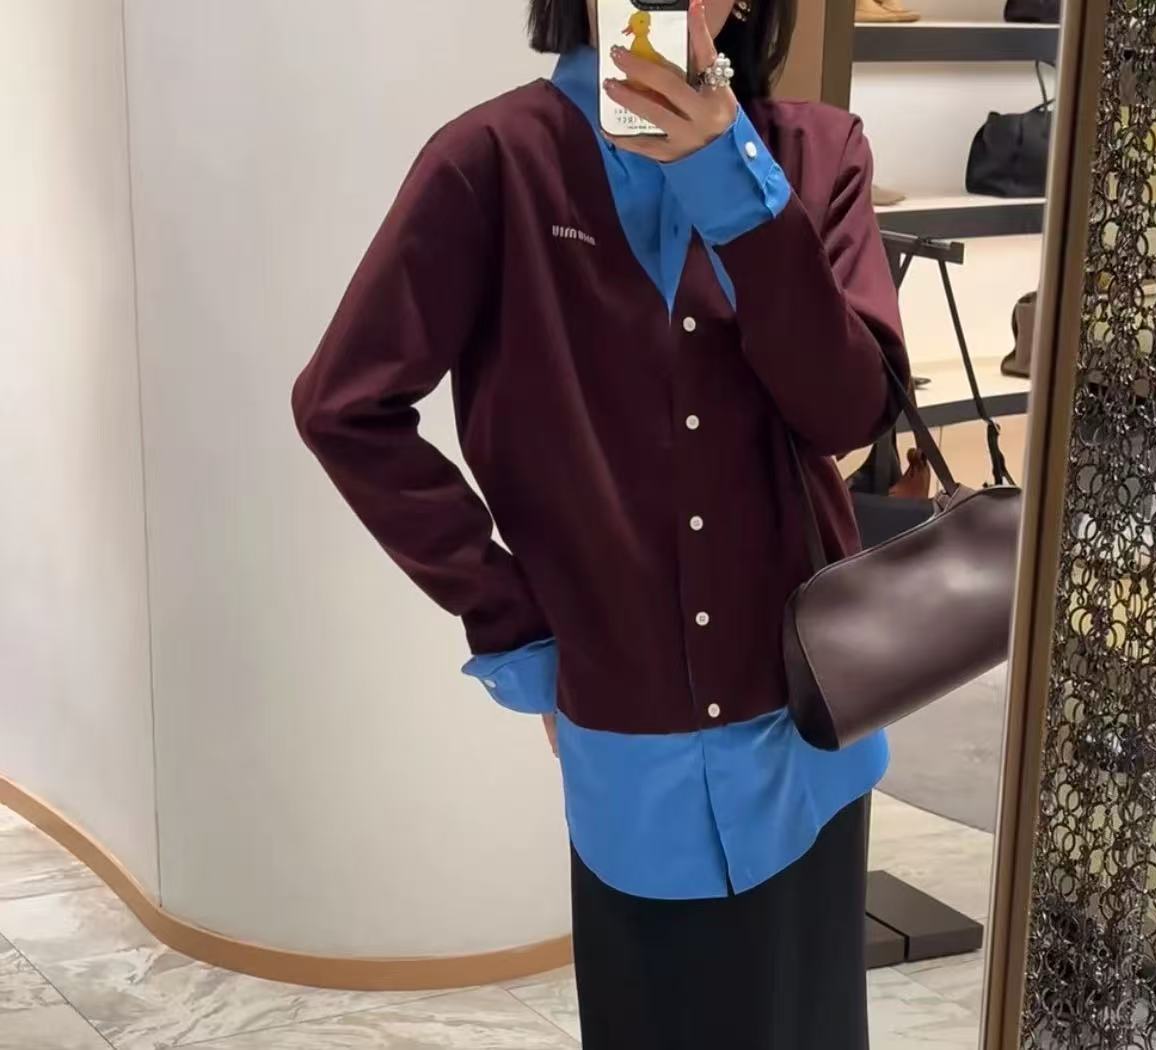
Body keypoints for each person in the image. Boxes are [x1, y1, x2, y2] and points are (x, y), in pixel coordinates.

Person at [292, 0, 908, 1046]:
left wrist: (733, 185)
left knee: (807, 1024)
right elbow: (343, 406)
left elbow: (848, 412)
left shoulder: (814, 152)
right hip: (636, 746)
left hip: (807, 724)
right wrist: (518, 625)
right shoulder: (491, 163)